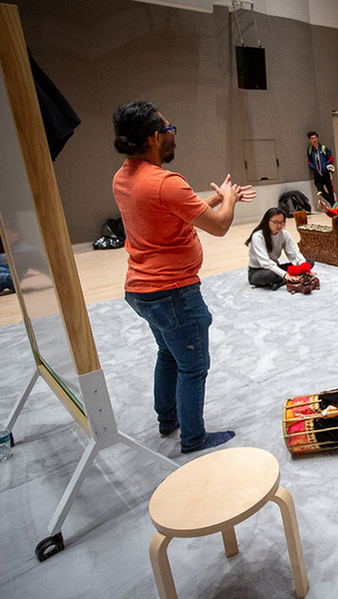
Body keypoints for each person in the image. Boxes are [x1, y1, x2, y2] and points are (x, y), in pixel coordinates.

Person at [111, 101, 255, 453]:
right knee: (194, 367)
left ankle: (168, 420)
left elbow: (172, 207)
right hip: (173, 290)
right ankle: (193, 438)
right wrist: (230, 201)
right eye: (169, 130)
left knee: (168, 354)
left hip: (141, 288)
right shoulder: (165, 182)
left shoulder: (123, 177)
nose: (173, 135)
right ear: (155, 138)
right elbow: (219, 226)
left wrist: (215, 197)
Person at [245, 207, 313, 289]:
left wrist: (304, 267)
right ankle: (285, 280)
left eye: (282, 222)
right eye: (275, 222)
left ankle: (279, 282)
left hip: (275, 267)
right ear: (267, 221)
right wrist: (284, 274)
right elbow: (265, 263)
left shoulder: (284, 234)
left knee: (309, 262)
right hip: (258, 271)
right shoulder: (258, 236)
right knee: (270, 275)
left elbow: (294, 253)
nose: (280, 225)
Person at [307, 131, 335, 206]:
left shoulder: (323, 148)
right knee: (320, 190)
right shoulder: (310, 150)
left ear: (318, 138)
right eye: (312, 138)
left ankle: (333, 206)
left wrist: (327, 165)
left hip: (326, 173)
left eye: (315, 138)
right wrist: (313, 168)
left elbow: (331, 158)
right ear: (310, 140)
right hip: (317, 175)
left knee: (330, 190)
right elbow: (309, 161)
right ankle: (333, 202)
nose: (314, 140)